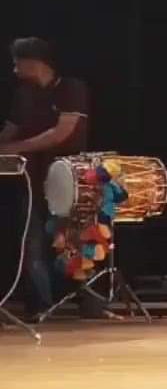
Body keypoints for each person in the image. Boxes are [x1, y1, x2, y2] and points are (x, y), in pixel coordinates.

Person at [0, 37, 103, 319]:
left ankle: (90, 302)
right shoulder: (23, 93)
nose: (14, 70)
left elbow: (61, 133)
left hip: (69, 180)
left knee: (74, 242)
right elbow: (11, 129)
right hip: (32, 179)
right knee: (32, 242)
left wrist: (15, 147)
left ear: (34, 63)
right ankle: (40, 305)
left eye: (17, 64)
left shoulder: (72, 88)